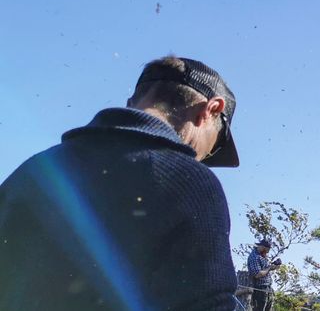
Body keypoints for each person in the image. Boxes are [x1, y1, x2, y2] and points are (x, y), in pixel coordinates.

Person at [0, 56, 240, 310]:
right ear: (211, 109)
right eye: (216, 147)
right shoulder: (189, 182)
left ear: (132, 103)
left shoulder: (35, 170)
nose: (204, 156)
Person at [248, 239, 282, 311]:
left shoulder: (262, 256)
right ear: (263, 247)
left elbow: (265, 270)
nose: (266, 253)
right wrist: (269, 267)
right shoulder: (255, 257)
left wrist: (273, 266)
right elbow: (258, 274)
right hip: (260, 289)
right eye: (266, 251)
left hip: (268, 288)